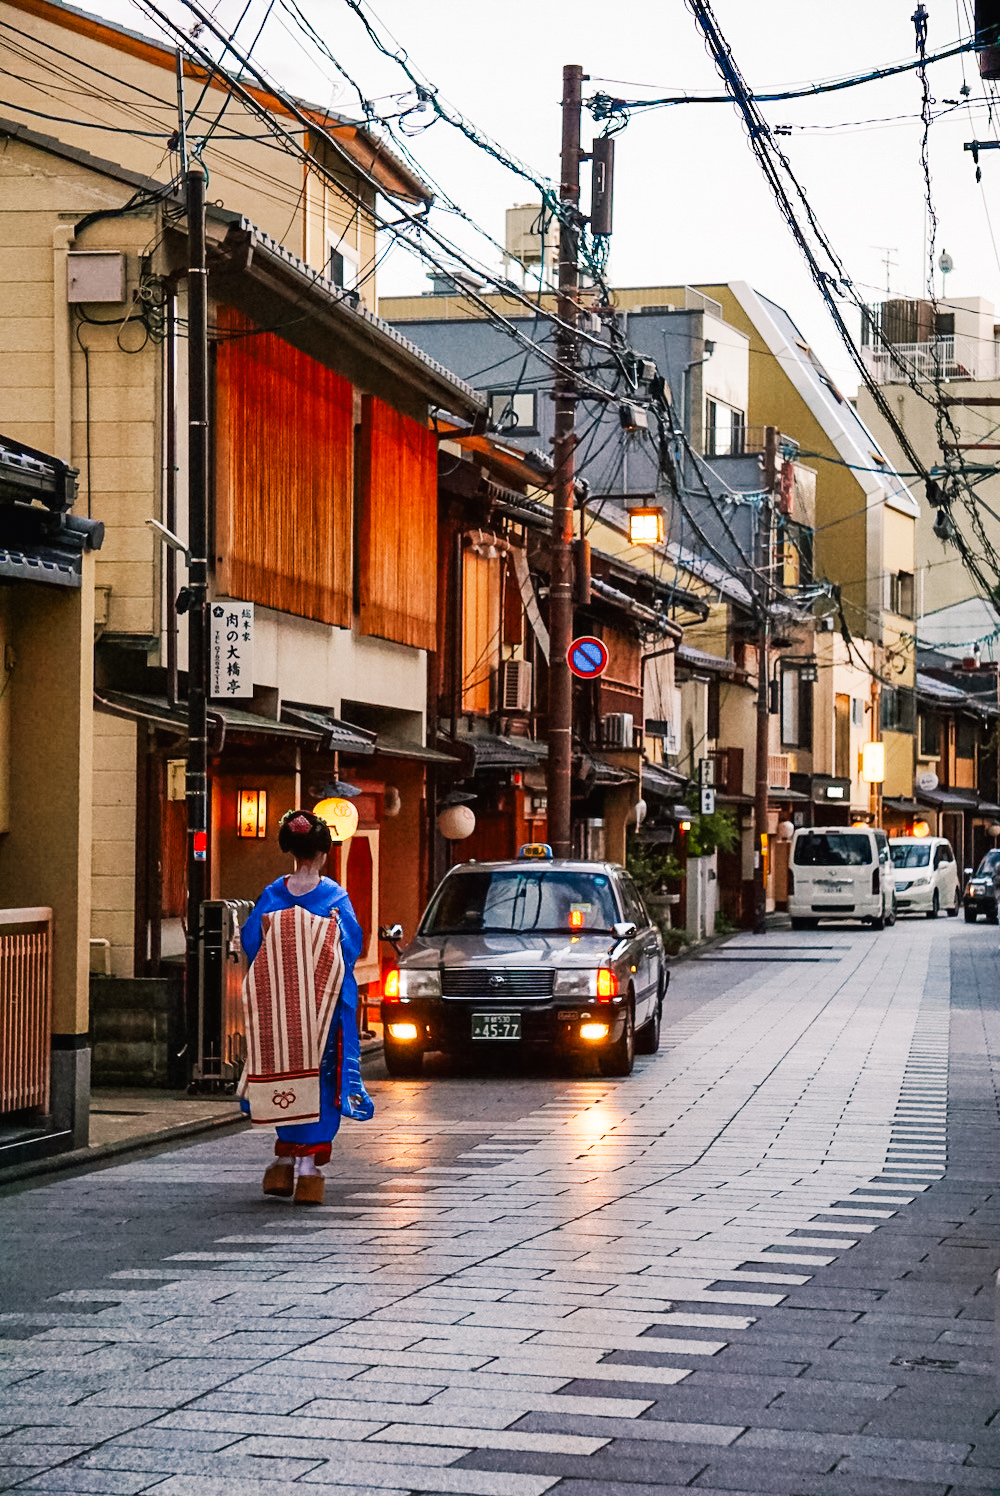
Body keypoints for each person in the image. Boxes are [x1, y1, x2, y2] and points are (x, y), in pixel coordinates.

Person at [240, 809, 373, 1205]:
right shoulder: (334, 897)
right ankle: (308, 1169)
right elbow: (350, 948)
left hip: (281, 1009)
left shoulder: (271, 895)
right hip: (324, 1008)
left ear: (290, 852)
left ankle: (284, 1159)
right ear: (325, 853)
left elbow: (252, 945)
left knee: (285, 1071)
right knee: (323, 1079)